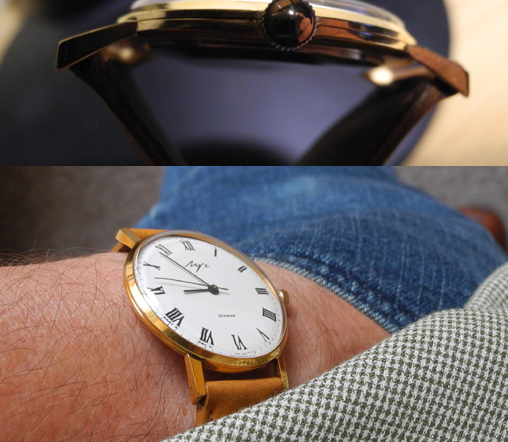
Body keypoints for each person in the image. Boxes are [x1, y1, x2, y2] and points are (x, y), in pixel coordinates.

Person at [1, 167, 507, 441]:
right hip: (365, 323)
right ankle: (454, 240)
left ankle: (452, 233)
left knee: (203, 169)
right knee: (244, 165)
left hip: (259, 293)